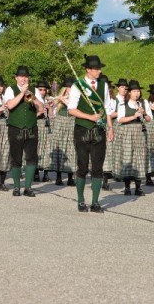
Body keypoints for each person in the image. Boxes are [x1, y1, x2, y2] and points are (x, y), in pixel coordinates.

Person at [68, 55, 114, 212]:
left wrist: (110, 128)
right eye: (96, 68)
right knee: (82, 166)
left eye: (100, 68)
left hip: (99, 130)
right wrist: (89, 117)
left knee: (97, 167)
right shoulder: (78, 85)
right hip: (82, 129)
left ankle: (95, 202)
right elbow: (71, 109)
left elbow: (107, 108)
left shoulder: (104, 85)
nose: (99, 70)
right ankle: (81, 200)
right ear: (88, 70)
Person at [4, 65, 44, 197]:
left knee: (32, 158)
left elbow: (41, 108)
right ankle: (16, 187)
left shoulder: (34, 90)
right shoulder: (10, 89)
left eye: (26, 77)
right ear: (16, 77)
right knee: (16, 158)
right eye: (21, 76)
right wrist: (21, 93)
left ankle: (28, 187)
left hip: (31, 128)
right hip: (16, 128)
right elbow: (10, 105)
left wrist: (32, 97)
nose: (24, 79)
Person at [112, 79, 152, 196]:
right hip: (127, 131)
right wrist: (134, 116)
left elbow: (149, 119)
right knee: (127, 157)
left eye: (138, 91)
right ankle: (127, 187)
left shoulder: (143, 104)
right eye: (134, 91)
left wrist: (144, 114)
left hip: (140, 132)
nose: (137, 93)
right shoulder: (123, 104)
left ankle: (138, 187)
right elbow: (120, 119)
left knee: (139, 158)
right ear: (129, 92)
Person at [49, 77, 76, 186]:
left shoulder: (75, 98)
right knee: (59, 149)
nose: (70, 89)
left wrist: (63, 99)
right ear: (65, 88)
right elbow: (52, 112)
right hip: (60, 123)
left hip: (71, 122)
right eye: (68, 87)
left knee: (71, 149)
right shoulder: (59, 99)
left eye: (72, 87)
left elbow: (72, 106)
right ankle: (58, 177)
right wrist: (57, 99)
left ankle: (70, 177)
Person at [102, 78, 128, 190]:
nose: (124, 89)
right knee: (108, 152)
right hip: (112, 126)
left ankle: (117, 173)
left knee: (119, 151)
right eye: (122, 87)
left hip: (122, 127)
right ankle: (104, 179)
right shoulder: (115, 100)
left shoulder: (126, 99)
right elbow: (109, 114)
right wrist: (122, 112)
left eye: (126, 87)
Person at [34, 79, 54, 183]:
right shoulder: (33, 100)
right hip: (37, 124)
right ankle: (36, 173)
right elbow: (31, 116)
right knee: (37, 149)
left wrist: (49, 108)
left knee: (47, 148)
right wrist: (40, 112)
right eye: (40, 89)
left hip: (47, 126)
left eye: (44, 90)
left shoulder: (47, 100)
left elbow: (52, 116)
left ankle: (46, 174)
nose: (43, 92)